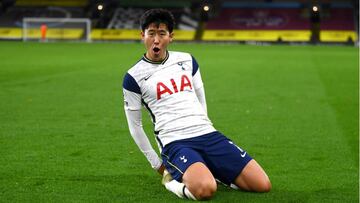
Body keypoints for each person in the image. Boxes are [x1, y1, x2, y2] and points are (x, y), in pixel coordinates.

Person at [122, 8, 271, 200]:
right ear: (142, 36)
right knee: (205, 190)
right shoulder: (133, 77)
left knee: (262, 184)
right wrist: (157, 164)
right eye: (151, 34)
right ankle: (171, 183)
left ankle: (213, 170)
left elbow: (201, 99)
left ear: (171, 36)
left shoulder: (187, 60)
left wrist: (205, 125)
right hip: (175, 142)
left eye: (162, 34)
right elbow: (135, 126)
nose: (156, 40)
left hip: (207, 134)